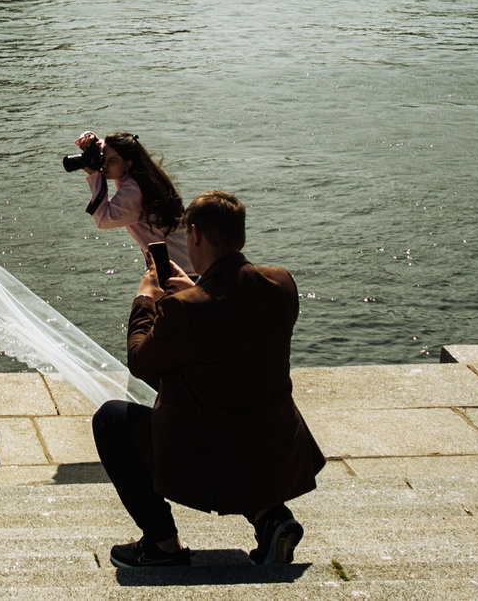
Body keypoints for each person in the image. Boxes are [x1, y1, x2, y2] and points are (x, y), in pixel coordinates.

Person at [94, 189, 324, 570]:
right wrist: (199, 288)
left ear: (195, 235)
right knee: (223, 393)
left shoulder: (184, 310)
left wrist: (146, 300)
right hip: (275, 446)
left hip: (213, 460)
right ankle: (271, 518)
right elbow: (231, 316)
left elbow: (140, 361)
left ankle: (162, 545)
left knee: (111, 419)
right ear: (242, 238)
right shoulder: (281, 284)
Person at [76, 131, 190, 264]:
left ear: (128, 164)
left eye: (112, 161)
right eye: (102, 158)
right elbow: (101, 146)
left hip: (177, 268)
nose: (104, 165)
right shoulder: (143, 176)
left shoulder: (134, 190)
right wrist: (89, 137)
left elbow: (103, 220)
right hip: (180, 262)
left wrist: (95, 176)